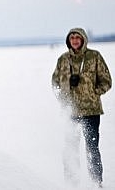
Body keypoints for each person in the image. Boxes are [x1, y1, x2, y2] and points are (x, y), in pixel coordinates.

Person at [51, 27, 112, 187]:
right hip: (70, 112)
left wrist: (94, 93)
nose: (75, 40)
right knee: (70, 150)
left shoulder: (94, 56)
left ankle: (96, 183)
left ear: (83, 39)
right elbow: (55, 83)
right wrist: (63, 100)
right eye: (72, 38)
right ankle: (71, 184)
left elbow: (107, 81)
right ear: (68, 41)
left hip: (91, 111)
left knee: (92, 149)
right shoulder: (63, 60)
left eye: (78, 37)